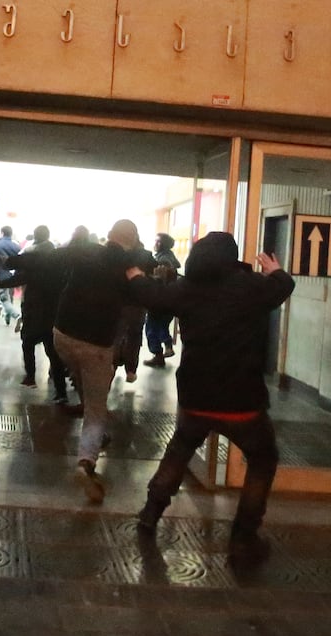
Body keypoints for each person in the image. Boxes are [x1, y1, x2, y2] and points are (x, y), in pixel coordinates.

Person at [123, 231, 295, 558]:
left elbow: (153, 295)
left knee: (179, 449)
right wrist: (274, 270)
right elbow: (284, 286)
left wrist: (134, 276)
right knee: (262, 459)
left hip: (196, 397)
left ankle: (150, 513)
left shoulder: (187, 289)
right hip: (242, 401)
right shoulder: (252, 287)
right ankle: (244, 535)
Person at [14, 219, 153, 503]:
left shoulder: (86, 251)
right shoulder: (128, 265)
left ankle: (96, 434)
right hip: (96, 343)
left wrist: (12, 259)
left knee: (82, 378)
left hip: (62, 334)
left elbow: (46, 258)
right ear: (132, 240)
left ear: (110, 235)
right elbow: (147, 296)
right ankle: (86, 462)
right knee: (96, 409)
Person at [0, 225, 69, 404]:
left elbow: (17, 275)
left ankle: (30, 377)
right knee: (53, 353)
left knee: (27, 343)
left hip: (34, 310)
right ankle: (61, 392)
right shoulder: (59, 260)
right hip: (53, 312)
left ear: (36, 237)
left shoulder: (34, 259)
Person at [143, 232, 182, 366]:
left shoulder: (163, 260)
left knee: (151, 327)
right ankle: (168, 347)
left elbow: (160, 278)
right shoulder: (171, 258)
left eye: (158, 241)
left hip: (159, 298)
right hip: (170, 299)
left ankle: (157, 354)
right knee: (163, 326)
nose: (156, 244)